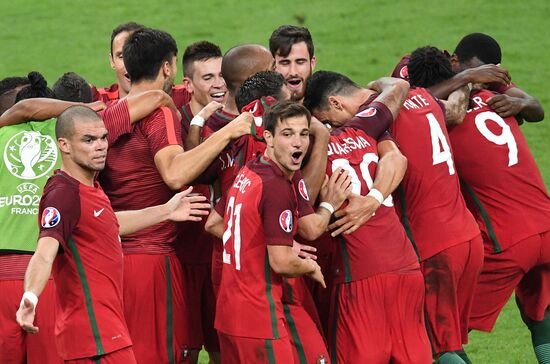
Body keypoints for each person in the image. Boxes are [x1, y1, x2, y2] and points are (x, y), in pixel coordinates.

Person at [98, 27, 253, 364]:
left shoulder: (107, 115)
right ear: (168, 68)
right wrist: (230, 131)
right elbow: (175, 173)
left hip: (111, 261)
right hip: (153, 262)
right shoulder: (159, 113)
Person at [15, 105, 210, 363]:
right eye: (88, 140)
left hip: (107, 335)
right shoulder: (63, 193)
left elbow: (107, 223)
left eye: (103, 138)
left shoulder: (90, 188)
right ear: (64, 145)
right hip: (93, 339)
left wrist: (165, 211)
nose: (100, 146)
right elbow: (44, 253)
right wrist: (30, 297)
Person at [408, 45, 550, 364]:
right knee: (541, 314)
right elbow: (536, 109)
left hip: (506, 240)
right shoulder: (495, 101)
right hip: (546, 224)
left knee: (439, 334)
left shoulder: (435, 122)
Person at [304, 71, 432, 363]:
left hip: (359, 277)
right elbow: (397, 157)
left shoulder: (308, 153)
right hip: (405, 268)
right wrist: (375, 198)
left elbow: (305, 215)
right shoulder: (364, 129)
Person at [210, 101, 350, 363]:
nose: (298, 143)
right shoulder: (276, 187)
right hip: (260, 315)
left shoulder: (249, 171)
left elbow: (213, 223)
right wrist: (310, 267)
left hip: (230, 313)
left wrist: (268, 239)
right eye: (288, 134)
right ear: (269, 138)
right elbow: (282, 262)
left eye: (304, 134)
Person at [385, 62, 484, 363]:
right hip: (467, 239)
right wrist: (465, 81)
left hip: (435, 247)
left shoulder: (390, 115)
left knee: (434, 345)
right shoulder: (431, 104)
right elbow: (454, 109)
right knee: (446, 341)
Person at [177, 40, 227, 364]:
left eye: (221, 75)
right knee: (188, 350)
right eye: (207, 77)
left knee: (226, 346)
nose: (218, 84)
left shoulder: (232, 122)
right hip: (185, 256)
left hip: (221, 255)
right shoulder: (172, 123)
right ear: (188, 84)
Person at [428, 33, 544, 123]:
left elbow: (536, 108)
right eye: (475, 74)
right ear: (454, 61)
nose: (478, 86)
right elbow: (418, 101)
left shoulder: (487, 78)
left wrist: (519, 104)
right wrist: (467, 77)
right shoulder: (424, 65)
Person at [93, 22, 145, 103]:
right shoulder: (96, 100)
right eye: (121, 57)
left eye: (137, 54)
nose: (129, 64)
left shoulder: (170, 95)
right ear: (112, 61)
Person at [269, 25, 315, 102]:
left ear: (312, 63)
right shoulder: (259, 110)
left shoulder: (328, 109)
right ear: (273, 66)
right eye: (285, 63)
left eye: (300, 62)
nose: (293, 72)